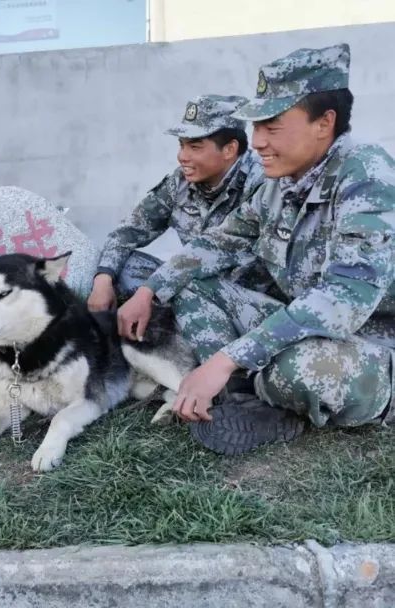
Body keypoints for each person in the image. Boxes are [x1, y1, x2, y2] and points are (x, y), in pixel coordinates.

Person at [118, 43, 395, 454]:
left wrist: (228, 358)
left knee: (301, 370)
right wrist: (149, 291)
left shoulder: (365, 173)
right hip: (304, 326)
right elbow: (217, 243)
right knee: (192, 285)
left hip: (372, 341)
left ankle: (268, 396)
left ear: (325, 123)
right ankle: (243, 398)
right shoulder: (280, 184)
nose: (258, 141)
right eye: (256, 128)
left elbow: (345, 298)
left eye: (272, 126)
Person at [88, 94, 266, 320]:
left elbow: (221, 255)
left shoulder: (262, 182)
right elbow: (129, 232)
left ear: (230, 149)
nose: (182, 156)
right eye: (181, 145)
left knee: (181, 288)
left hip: (247, 299)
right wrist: (103, 279)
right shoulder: (179, 182)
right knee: (124, 266)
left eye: (195, 146)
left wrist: (154, 289)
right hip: (188, 281)